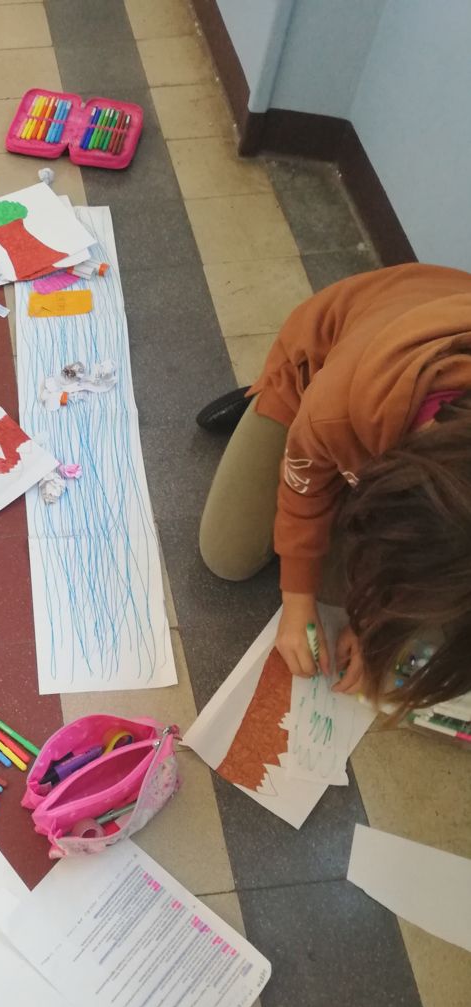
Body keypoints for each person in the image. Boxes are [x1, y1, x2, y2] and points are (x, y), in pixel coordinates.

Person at [197, 262, 471, 719]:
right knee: (229, 556)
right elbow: (304, 494)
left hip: (395, 390)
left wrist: (375, 626)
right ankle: (262, 400)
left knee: (351, 590)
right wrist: (296, 602)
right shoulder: (338, 410)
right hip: (319, 372)